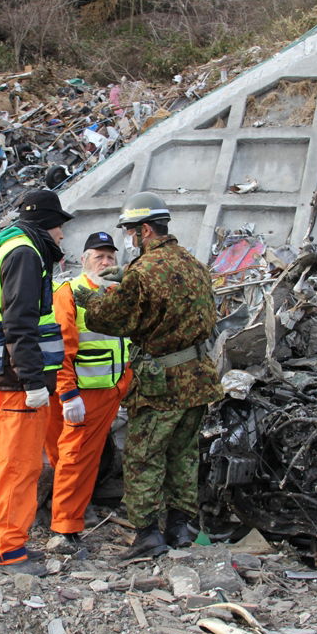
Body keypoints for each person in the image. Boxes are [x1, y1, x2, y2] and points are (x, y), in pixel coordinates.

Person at [73, 192, 223, 559]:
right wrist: (127, 277)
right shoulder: (191, 262)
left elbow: (113, 319)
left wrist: (86, 298)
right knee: (183, 455)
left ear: (144, 229)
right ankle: (179, 530)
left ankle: (146, 537)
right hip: (198, 378)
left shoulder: (143, 271)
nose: (127, 239)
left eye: (129, 232)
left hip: (162, 384)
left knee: (144, 458)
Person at [0, 189, 72, 574]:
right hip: (17, 383)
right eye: (61, 226)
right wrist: (33, 381)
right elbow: (20, 323)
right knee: (19, 466)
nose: (62, 236)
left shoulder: (5, 250)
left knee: (0, 462)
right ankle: (8, 552)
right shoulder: (27, 255)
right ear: (48, 224)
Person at [46, 232, 132, 554]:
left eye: (111, 257)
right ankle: (64, 529)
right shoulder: (71, 292)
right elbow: (61, 348)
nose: (106, 262)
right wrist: (69, 394)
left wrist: (126, 384)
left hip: (109, 391)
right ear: (84, 261)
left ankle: (69, 508)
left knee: (76, 456)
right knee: (75, 456)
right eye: (100, 256)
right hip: (83, 392)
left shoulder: (118, 294)